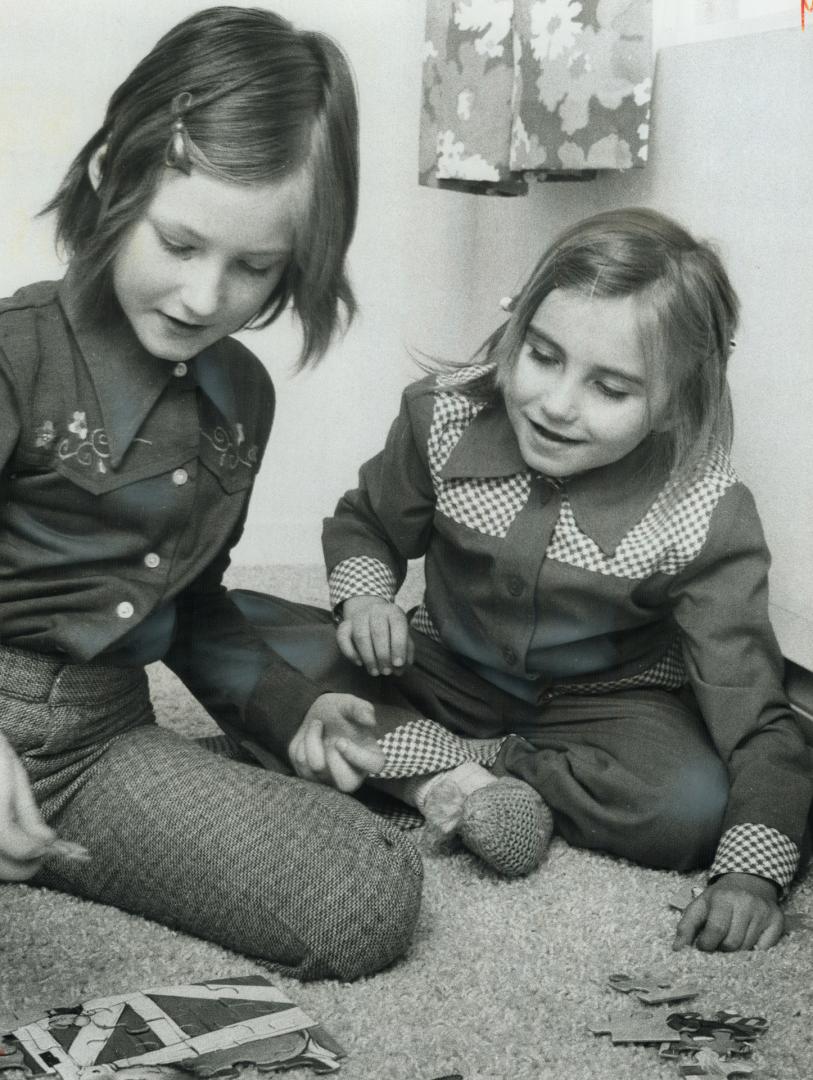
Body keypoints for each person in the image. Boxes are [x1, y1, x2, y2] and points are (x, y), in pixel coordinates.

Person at [233, 207, 812, 954]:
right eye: (542, 356)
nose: (557, 404)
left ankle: (446, 765)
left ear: (676, 403)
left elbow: (755, 714)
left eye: (611, 389)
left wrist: (751, 876)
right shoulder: (439, 419)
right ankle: (434, 763)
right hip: (440, 668)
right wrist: (367, 594)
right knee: (232, 630)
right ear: (515, 328)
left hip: (607, 708)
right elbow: (366, 523)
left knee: (694, 808)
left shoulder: (702, 513)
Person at [0, 5, 422, 982]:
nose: (204, 297)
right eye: (181, 244)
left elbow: (191, 608)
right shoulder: (15, 356)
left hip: (98, 746)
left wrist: (292, 711)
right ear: (114, 181)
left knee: (366, 898)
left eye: (254, 268)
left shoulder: (242, 399)